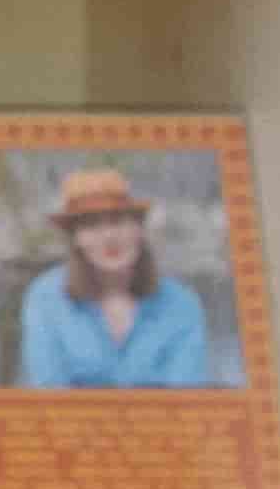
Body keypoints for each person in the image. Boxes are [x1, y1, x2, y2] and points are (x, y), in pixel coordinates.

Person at [16, 163, 215, 387]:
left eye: (118, 221)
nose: (109, 236)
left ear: (139, 230)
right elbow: (49, 392)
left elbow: (185, 396)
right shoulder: (45, 298)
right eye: (91, 225)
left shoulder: (181, 304)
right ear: (76, 239)